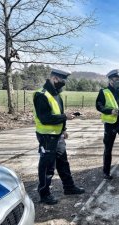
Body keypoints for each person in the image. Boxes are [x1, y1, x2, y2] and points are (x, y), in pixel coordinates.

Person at [33, 69, 85, 205]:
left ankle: (69, 187)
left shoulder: (56, 94)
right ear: (55, 79)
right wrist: (65, 117)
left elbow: (58, 113)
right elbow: (45, 118)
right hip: (47, 137)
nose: (64, 83)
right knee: (47, 166)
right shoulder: (41, 95)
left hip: (58, 135)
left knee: (63, 162)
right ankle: (44, 194)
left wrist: (64, 129)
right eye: (63, 81)